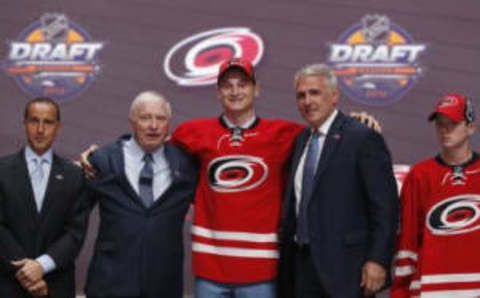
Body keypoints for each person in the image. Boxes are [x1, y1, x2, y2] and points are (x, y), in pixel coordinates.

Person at [80, 59, 381, 298]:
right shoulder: (192, 133)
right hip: (210, 270)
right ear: (218, 92)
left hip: (262, 272)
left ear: (256, 89)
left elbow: (326, 133)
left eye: (243, 84)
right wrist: (99, 153)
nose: (235, 91)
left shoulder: (287, 134)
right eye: (227, 85)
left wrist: (355, 121)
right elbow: (148, 140)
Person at [278, 63, 399, 298]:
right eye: (301, 95)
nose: (307, 101)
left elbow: (385, 207)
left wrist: (378, 260)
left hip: (347, 269)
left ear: (334, 96)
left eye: (315, 92)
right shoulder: (301, 140)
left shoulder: (362, 138)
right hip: (302, 268)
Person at [84, 91, 197, 298]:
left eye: (160, 118)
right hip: (109, 285)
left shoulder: (187, 164)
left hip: (163, 286)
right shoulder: (101, 161)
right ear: (132, 121)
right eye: (145, 118)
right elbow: (73, 218)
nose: (153, 125)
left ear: (169, 123)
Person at [391, 93, 480, 297]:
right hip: (432, 288)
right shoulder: (420, 174)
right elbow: (407, 243)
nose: (445, 130)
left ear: (470, 128)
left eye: (453, 123)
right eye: (440, 124)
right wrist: (401, 291)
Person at [0, 97, 88, 297]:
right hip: (8, 285)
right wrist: (27, 272)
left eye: (48, 122)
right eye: (34, 121)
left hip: (55, 286)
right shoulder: (2, 170)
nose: (40, 129)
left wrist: (41, 266)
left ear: (58, 127)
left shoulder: (75, 175)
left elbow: (75, 233)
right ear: (25, 124)